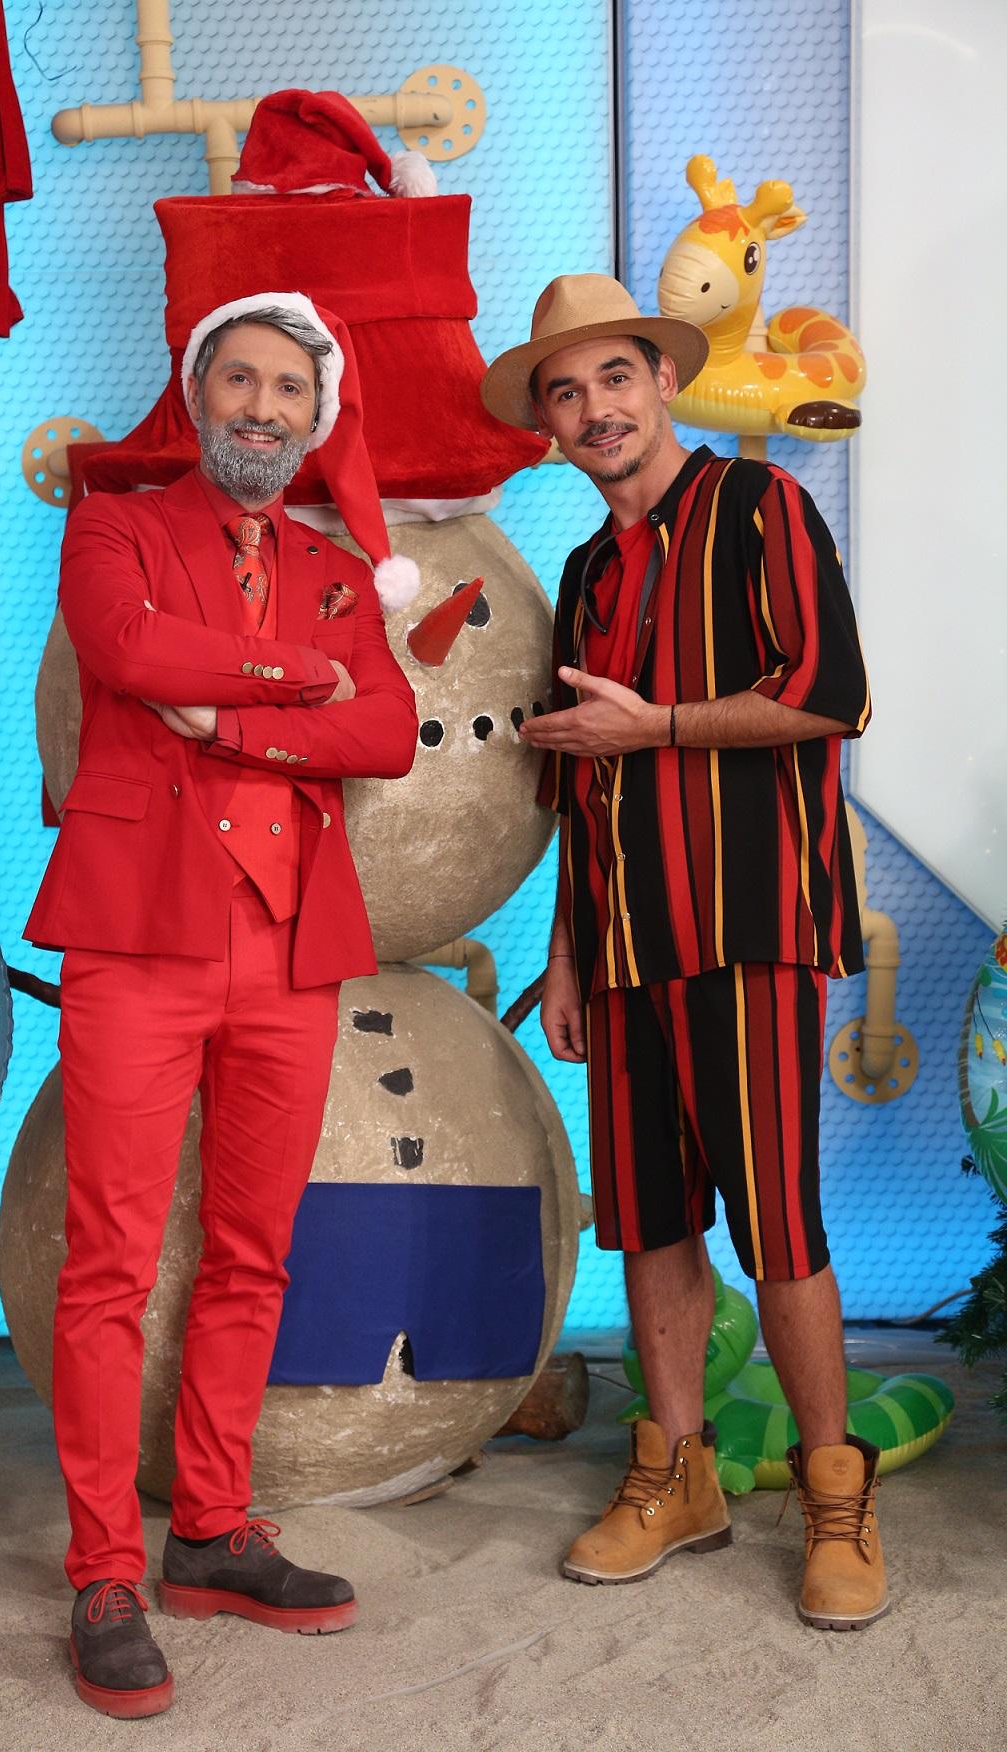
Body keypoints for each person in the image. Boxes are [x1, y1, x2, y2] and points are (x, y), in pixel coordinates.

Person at [25, 292, 418, 1717]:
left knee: (254, 1255)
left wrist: (243, 716)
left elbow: (389, 730)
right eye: (238, 380)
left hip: (292, 945)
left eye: (288, 389)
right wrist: (303, 681)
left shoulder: (337, 568)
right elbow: (131, 654)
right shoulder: (114, 528)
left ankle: (209, 1528)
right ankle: (102, 1572)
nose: (262, 407)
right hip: (138, 934)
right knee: (109, 1266)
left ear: (316, 418)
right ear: (199, 398)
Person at [481, 275, 884, 1630]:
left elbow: (829, 695)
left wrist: (652, 725)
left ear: (662, 382)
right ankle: (678, 1476)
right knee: (649, 1222)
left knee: (779, 1224)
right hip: (623, 943)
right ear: (549, 425)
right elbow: (578, 782)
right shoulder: (586, 574)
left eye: (614, 377)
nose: (594, 408)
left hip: (749, 926)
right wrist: (569, 952)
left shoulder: (762, 506)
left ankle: (835, 1497)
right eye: (565, 392)